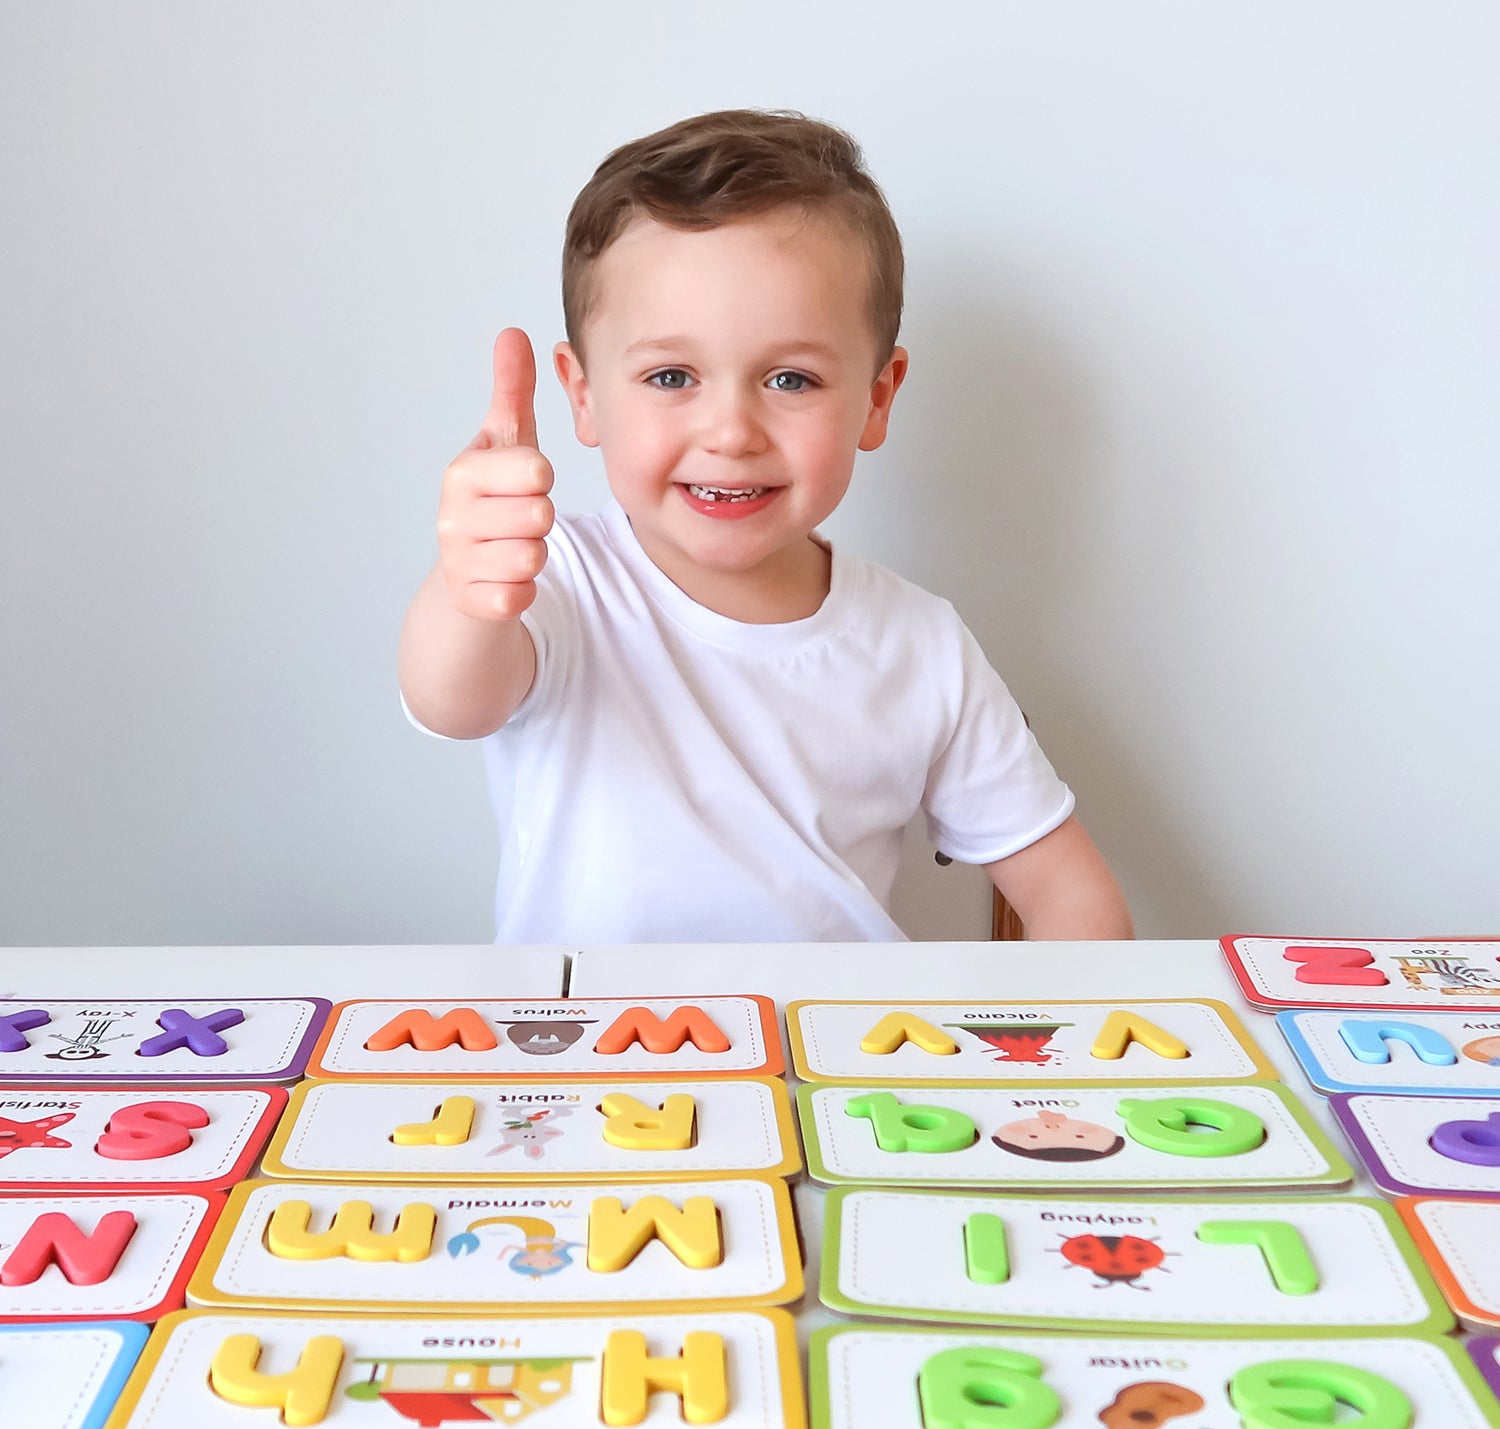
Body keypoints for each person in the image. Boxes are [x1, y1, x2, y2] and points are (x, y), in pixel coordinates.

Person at [400, 108, 1133, 945]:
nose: (731, 431)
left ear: (877, 397)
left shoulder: (921, 644)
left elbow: (1071, 893)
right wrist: (471, 589)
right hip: (594, 1065)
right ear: (584, 395)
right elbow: (451, 699)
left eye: (790, 379)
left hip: (830, 1066)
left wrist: (1048, 1055)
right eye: (671, 375)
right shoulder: (557, 579)